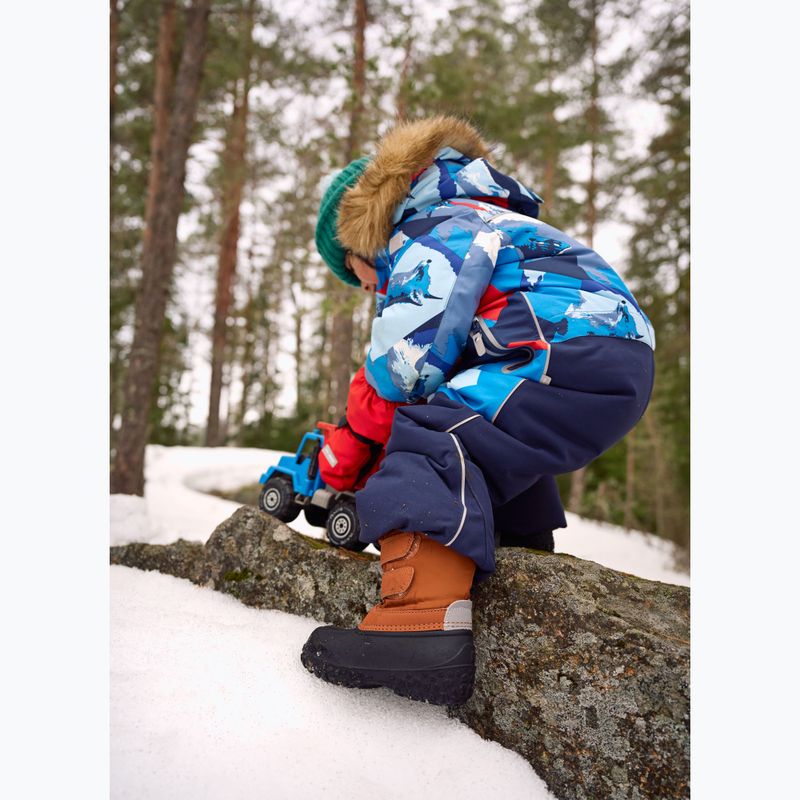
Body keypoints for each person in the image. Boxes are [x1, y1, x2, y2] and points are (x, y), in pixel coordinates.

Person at [301, 115, 655, 706]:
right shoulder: (485, 215)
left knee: (433, 436)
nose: (364, 287)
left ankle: (418, 625)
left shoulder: (428, 228)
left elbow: (409, 365)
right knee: (484, 430)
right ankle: (516, 554)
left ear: (360, 235)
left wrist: (364, 426)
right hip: (615, 356)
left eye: (355, 273)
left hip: (556, 346)